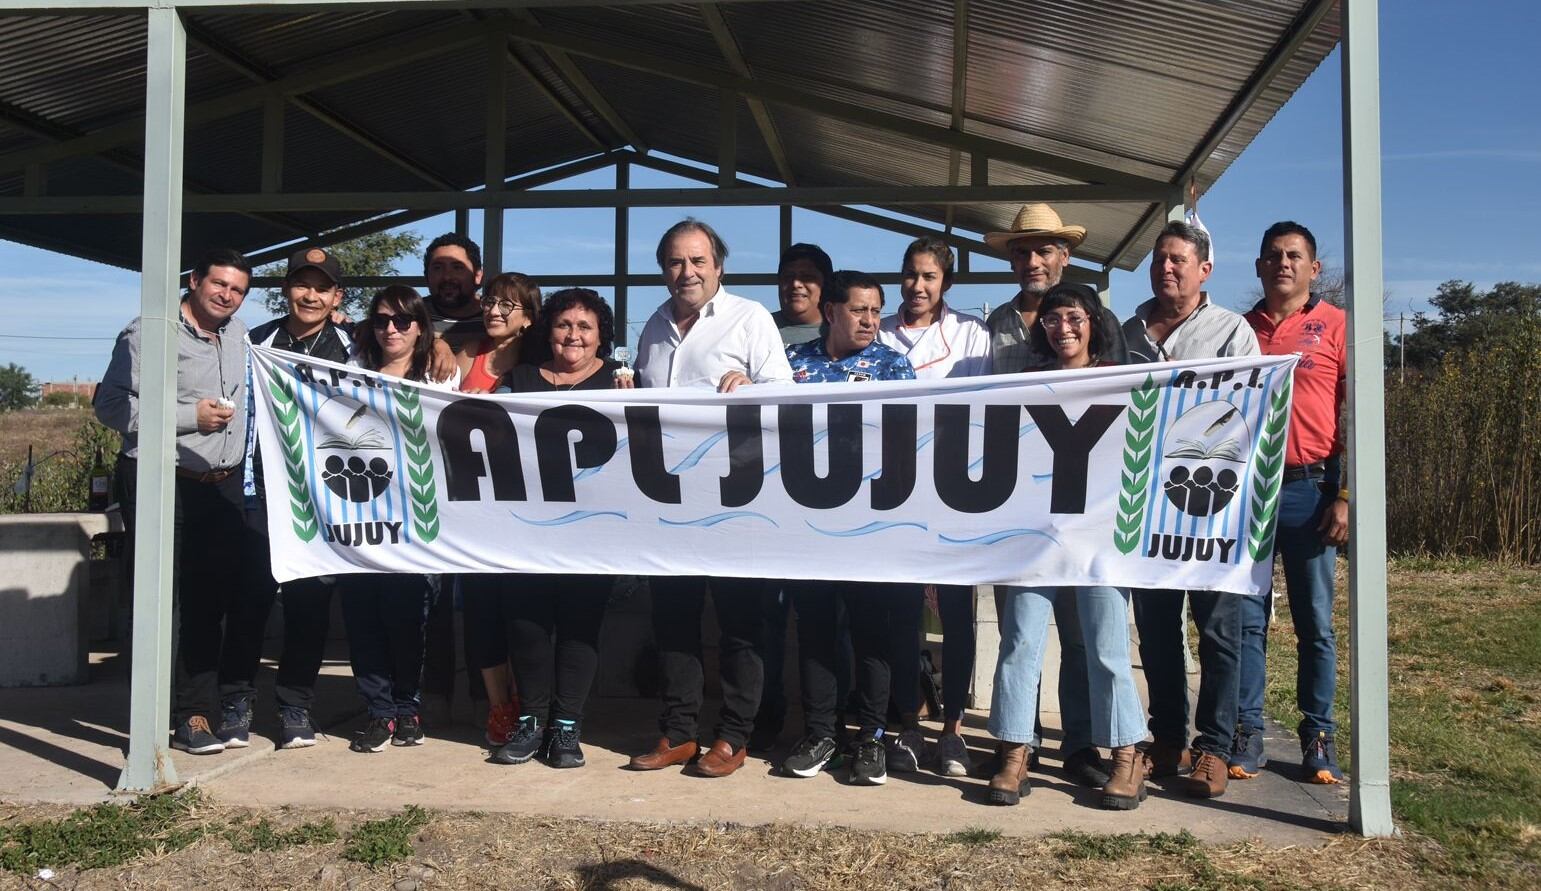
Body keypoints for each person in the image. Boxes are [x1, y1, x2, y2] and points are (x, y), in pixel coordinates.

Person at [628, 218, 793, 778]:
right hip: (669, 502)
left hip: (734, 500)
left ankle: (733, 736)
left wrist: (752, 388)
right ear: (663, 269)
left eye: (698, 261)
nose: (687, 272)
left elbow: (786, 394)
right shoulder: (652, 326)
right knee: (673, 620)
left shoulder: (750, 318)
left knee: (740, 623)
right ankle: (678, 731)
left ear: (719, 266)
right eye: (676, 262)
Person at [980, 203, 1130, 789]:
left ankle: (1096, 747)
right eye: (1023, 250)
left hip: (1095, 524)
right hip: (1026, 513)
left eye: (1045, 250)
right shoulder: (993, 329)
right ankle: (1016, 750)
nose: (1034, 260)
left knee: (1095, 639)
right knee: (1021, 636)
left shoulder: (1120, 375)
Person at [1121, 221, 1260, 799]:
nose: (1167, 269)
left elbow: (1253, 407)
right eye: (1159, 259)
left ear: (1204, 269)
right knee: (1155, 633)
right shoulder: (1127, 330)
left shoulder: (1232, 331)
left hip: (1212, 508)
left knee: (1219, 632)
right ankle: (1168, 739)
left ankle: (1215, 748)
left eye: (1179, 260)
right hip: (1147, 508)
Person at [95, 248, 252, 755]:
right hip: (162, 479)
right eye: (219, 285)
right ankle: (154, 714)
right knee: (163, 601)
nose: (227, 296)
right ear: (194, 280)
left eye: (237, 290)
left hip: (221, 483)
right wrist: (187, 416)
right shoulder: (148, 333)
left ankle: (196, 716)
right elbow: (111, 405)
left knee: (209, 603)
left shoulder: (239, 334)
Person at [779, 270, 921, 786]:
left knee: (870, 632)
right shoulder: (793, 363)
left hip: (871, 526)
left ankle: (872, 738)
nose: (869, 321)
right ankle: (821, 732)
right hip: (808, 527)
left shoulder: (893, 365)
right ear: (832, 309)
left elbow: (911, 440)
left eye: (876, 311)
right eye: (859, 310)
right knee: (816, 630)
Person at [490, 288, 633, 769]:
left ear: (601, 337)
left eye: (585, 327)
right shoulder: (521, 379)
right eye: (564, 325)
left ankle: (567, 727)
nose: (574, 335)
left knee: (580, 628)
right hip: (528, 528)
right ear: (549, 331)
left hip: (594, 532)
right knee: (526, 625)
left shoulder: (622, 380)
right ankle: (531, 721)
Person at [223, 247, 353, 750]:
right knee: (249, 601)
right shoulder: (254, 342)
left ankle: (295, 705)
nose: (311, 294)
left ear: (337, 296)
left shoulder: (353, 345)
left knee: (309, 605)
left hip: (324, 499)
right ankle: (235, 701)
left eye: (322, 287)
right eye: (303, 284)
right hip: (260, 492)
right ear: (287, 290)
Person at [1236, 221, 1349, 784]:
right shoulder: (1240, 330)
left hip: (1310, 487)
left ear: (1313, 268)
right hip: (1247, 492)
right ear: (1259, 266)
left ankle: (1317, 735)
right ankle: (1248, 731)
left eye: (1295, 255)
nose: (1283, 263)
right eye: (1273, 255)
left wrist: (1343, 495)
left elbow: (1353, 416)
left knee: (1314, 621)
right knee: (1247, 619)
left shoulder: (1335, 326)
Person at [876, 236, 991, 777]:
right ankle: (906, 724)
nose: (917, 287)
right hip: (891, 491)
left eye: (929, 277)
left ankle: (953, 729)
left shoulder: (971, 334)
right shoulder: (877, 329)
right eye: (910, 275)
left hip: (953, 492)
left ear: (946, 283)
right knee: (899, 613)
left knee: (957, 615)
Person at [341, 286, 457, 753]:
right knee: (363, 617)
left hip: (414, 517)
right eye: (383, 319)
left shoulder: (440, 378)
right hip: (355, 513)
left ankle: (408, 707)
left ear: (420, 327)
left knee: (407, 618)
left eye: (404, 321)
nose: (392, 328)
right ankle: (378, 711)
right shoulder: (347, 372)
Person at [752, 241, 843, 752]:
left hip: (827, 500)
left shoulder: (839, 334)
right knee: (765, 615)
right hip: (765, 496)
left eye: (807, 276)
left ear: (824, 286)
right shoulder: (759, 329)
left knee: (825, 619)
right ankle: (764, 714)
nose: (795, 284)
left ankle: (827, 722)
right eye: (788, 275)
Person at [457, 272, 541, 748]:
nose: (493, 311)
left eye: (508, 306)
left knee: (523, 615)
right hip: (471, 514)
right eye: (490, 301)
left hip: (523, 513)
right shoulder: (463, 356)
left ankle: (530, 706)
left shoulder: (537, 368)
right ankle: (498, 708)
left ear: (529, 318)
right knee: (482, 611)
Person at [418, 233, 493, 726]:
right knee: (428, 600)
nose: (448, 276)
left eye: (457, 268)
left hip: (488, 486)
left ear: (478, 275)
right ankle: (429, 701)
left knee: (487, 600)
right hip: (422, 484)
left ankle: (491, 703)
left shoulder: (497, 319)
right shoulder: (405, 316)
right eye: (438, 267)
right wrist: (433, 339)